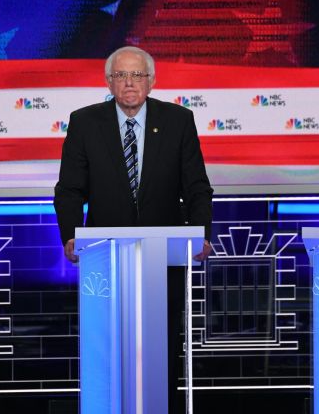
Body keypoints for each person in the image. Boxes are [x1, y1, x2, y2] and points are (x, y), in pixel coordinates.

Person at [54, 46, 213, 410]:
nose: (129, 83)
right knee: (106, 343)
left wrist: (201, 232)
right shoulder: (84, 122)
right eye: (121, 76)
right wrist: (70, 234)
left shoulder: (178, 120)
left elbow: (196, 186)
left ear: (152, 81)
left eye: (138, 75)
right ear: (108, 81)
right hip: (104, 256)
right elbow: (69, 189)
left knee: (163, 345)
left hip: (165, 255)